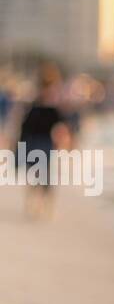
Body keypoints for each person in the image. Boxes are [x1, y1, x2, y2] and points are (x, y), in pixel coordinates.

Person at [14, 62, 73, 221]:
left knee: (40, 176)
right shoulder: (44, 104)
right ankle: (39, 205)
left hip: (40, 143)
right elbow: (62, 127)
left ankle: (39, 205)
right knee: (40, 176)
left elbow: (26, 125)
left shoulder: (42, 104)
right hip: (39, 143)